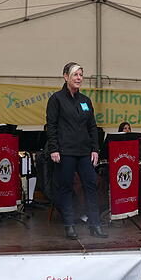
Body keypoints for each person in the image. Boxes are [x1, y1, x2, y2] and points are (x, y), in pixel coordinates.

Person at [46, 62, 107, 239]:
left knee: (91, 186)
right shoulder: (56, 99)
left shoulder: (85, 101)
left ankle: (94, 224)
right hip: (65, 152)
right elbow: (51, 125)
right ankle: (69, 225)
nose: (79, 78)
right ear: (66, 76)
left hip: (84, 152)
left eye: (81, 74)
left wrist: (95, 149)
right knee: (66, 188)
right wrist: (54, 148)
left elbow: (92, 127)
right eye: (75, 74)